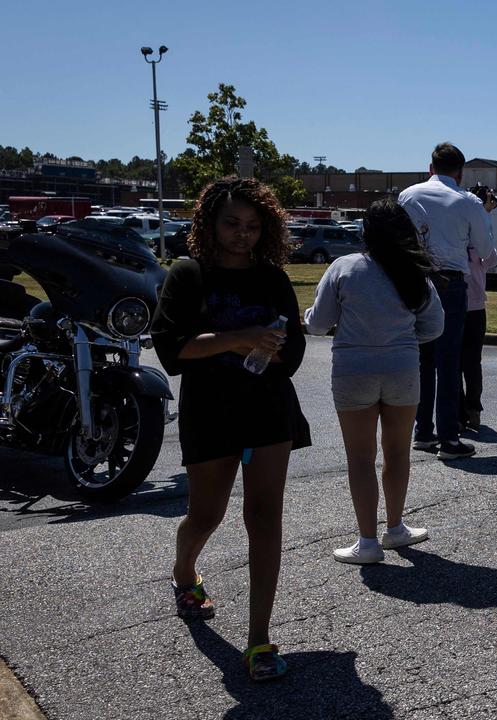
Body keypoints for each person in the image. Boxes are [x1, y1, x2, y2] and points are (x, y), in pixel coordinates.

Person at [151, 177, 311, 682]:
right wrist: (237, 337)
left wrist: (274, 345)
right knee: (206, 515)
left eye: (252, 226)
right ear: (209, 224)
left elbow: (296, 351)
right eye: (231, 224)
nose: (242, 235)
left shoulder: (272, 278)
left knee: (264, 517)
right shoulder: (187, 274)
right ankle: (184, 572)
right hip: (211, 411)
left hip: (268, 411)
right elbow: (173, 348)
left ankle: (259, 639)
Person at [303, 198, 445, 564]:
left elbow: (317, 323)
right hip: (402, 370)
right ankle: (395, 527)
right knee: (397, 453)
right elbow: (434, 326)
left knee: (361, 458)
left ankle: (367, 542)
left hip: (353, 371)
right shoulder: (415, 273)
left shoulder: (345, 268)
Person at [398, 142, 495, 459]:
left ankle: (423, 431)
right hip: (450, 283)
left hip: (415, 280)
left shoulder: (408, 196)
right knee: (448, 362)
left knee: (422, 360)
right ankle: (449, 438)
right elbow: (484, 250)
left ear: (430, 168)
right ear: (460, 172)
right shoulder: (467, 201)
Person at [459, 185, 497, 432]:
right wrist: (484, 216)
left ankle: (465, 412)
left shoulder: (465, 230)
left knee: (462, 362)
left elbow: (492, 259)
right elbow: (493, 258)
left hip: (466, 304)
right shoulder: (476, 229)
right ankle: (466, 411)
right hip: (465, 304)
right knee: (465, 363)